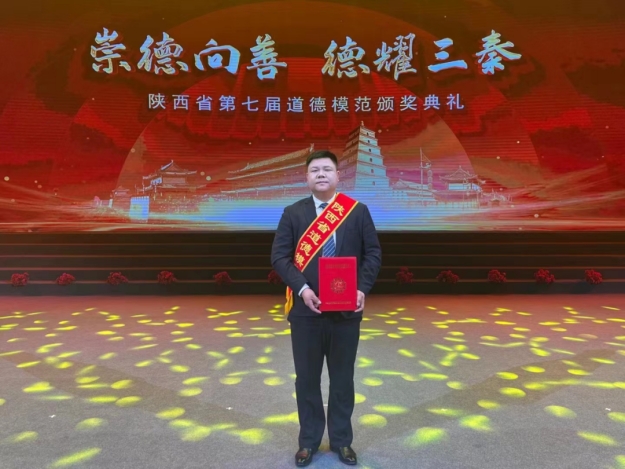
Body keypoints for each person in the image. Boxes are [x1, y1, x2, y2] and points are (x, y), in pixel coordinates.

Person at [271, 149, 382, 467]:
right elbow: (280, 257)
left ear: (338, 175)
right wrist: (303, 289)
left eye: (327, 169)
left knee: (343, 379)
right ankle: (308, 441)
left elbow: (373, 254)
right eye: (315, 170)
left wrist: (361, 288)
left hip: (346, 314)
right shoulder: (293, 213)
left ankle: (342, 441)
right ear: (306, 177)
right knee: (306, 379)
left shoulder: (357, 212)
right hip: (306, 313)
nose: (321, 174)